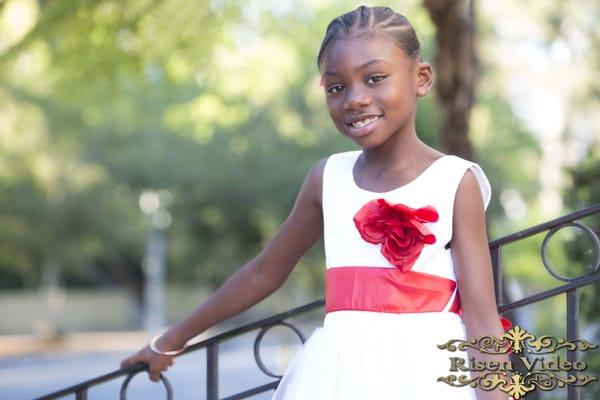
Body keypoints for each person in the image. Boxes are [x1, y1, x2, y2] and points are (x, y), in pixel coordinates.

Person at [121, 5, 512, 400]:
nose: (354, 99)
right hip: (338, 377)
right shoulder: (327, 178)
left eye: (374, 78)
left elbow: (481, 321)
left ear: (421, 78)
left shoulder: (454, 180)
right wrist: (169, 341)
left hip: (429, 375)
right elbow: (262, 273)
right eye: (336, 87)